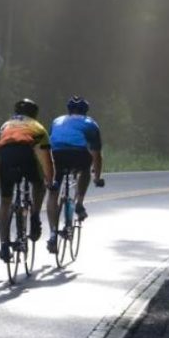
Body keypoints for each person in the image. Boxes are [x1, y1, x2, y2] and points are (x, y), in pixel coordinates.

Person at [0, 98, 53, 263]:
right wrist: (50, 180)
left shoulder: (5, 125)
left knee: (5, 202)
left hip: (4, 157)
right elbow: (46, 159)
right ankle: (34, 216)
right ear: (34, 114)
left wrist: (1, 186)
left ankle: (4, 245)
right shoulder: (37, 127)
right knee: (39, 184)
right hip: (25, 154)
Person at [46, 95, 105, 254]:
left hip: (56, 156)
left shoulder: (57, 121)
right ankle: (79, 203)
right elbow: (96, 155)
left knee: (53, 193)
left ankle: (52, 234)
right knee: (85, 169)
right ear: (86, 111)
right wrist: (97, 177)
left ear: (68, 110)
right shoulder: (91, 123)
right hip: (78, 155)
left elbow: (50, 142)